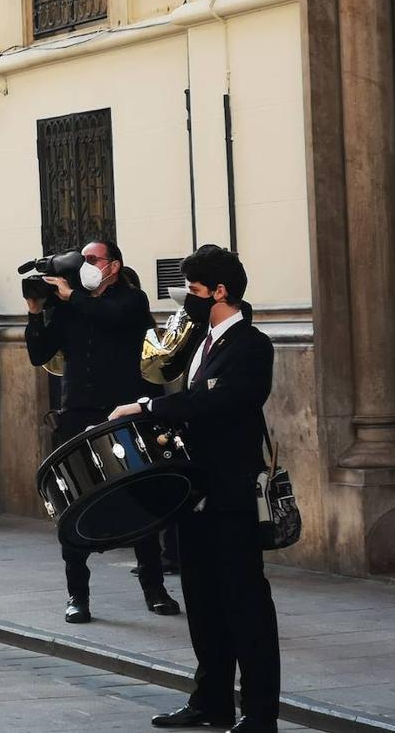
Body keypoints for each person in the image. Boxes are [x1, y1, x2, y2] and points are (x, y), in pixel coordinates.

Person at [110, 246, 280, 733]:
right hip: (197, 494)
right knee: (203, 604)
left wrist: (145, 407)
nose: (187, 298)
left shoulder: (251, 344)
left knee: (244, 604)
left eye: (193, 289)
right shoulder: (202, 341)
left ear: (219, 291)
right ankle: (211, 702)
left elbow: (217, 399)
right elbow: (176, 384)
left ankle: (260, 713)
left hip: (231, 495)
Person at [25, 240, 180, 624]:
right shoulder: (68, 305)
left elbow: (108, 317)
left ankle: (154, 587)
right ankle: (77, 595)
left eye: (93, 259)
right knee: (72, 499)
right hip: (78, 410)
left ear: (114, 266)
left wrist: (71, 294)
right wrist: (35, 311)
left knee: (139, 495)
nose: (86, 264)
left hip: (124, 409)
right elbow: (38, 353)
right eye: (84, 259)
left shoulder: (132, 299)